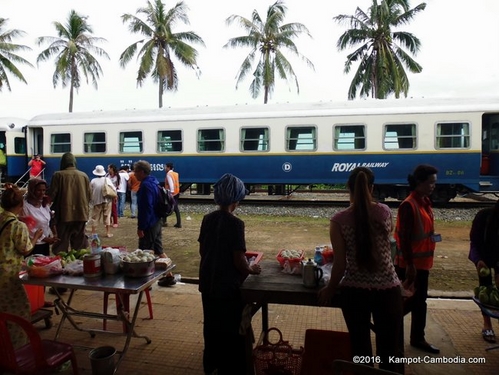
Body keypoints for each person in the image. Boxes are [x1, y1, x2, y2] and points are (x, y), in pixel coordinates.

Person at [318, 167, 404, 374]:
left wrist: (330, 289)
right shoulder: (384, 212)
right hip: (388, 290)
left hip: (355, 293)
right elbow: (387, 244)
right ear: (372, 188)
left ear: (348, 188)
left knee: (360, 348)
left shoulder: (338, 220)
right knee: (391, 351)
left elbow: (340, 264)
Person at [198, 173, 262, 375]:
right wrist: (251, 268)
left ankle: (211, 365)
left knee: (211, 327)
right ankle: (231, 367)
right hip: (227, 287)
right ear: (237, 199)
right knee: (231, 329)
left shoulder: (207, 219)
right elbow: (239, 260)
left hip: (207, 282)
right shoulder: (236, 224)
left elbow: (203, 250)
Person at [394, 164, 440, 354]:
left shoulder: (424, 202)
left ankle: (414, 336)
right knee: (412, 301)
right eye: (430, 183)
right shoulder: (409, 205)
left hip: (421, 264)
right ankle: (391, 326)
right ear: (419, 182)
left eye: (434, 183)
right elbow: (404, 238)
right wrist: (410, 265)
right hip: (410, 265)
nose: (433, 186)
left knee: (419, 301)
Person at [0, 185, 43, 348]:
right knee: (18, 313)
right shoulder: (17, 225)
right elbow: (26, 249)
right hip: (8, 277)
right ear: (21, 205)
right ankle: (18, 350)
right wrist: (36, 236)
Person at [469, 199, 499, 343]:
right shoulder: (483, 217)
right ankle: (487, 324)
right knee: (485, 288)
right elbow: (474, 243)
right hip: (484, 257)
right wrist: (478, 260)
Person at [49, 152, 91, 255]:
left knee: (61, 244)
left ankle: (61, 267)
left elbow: (51, 195)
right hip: (81, 214)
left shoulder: (58, 175)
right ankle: (79, 266)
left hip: (63, 215)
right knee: (79, 245)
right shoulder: (84, 176)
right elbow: (89, 195)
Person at [134, 160, 166, 258]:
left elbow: (146, 208)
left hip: (149, 224)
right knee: (159, 250)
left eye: (136, 171)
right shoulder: (154, 182)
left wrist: (141, 227)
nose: (134, 174)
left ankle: (148, 271)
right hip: (157, 220)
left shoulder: (145, 186)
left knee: (145, 252)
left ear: (142, 172)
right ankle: (169, 272)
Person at [22, 178, 59, 256]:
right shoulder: (25, 207)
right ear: (32, 191)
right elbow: (29, 228)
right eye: (39, 190)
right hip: (33, 244)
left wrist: (55, 234)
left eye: (44, 190)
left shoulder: (44, 204)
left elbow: (51, 219)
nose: (42, 193)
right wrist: (45, 239)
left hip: (45, 243)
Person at [89, 165, 114, 238]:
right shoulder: (107, 180)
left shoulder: (93, 181)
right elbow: (113, 189)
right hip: (107, 201)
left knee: (95, 217)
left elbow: (90, 190)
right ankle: (108, 232)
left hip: (96, 201)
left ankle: (93, 233)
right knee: (107, 216)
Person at [164, 162, 181, 228]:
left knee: (166, 207)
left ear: (168, 167)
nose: (165, 168)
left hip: (171, 193)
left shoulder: (169, 174)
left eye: (166, 167)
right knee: (175, 208)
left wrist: (170, 193)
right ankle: (178, 223)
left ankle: (164, 222)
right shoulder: (176, 174)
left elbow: (171, 184)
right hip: (177, 192)